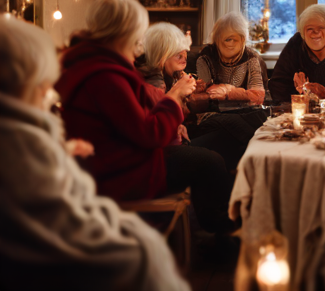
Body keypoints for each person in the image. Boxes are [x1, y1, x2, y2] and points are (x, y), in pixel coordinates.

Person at [0, 15, 189, 291]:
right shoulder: (105, 77)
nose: (48, 92)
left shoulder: (25, 128)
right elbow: (56, 217)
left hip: (95, 184)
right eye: (43, 85)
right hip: (40, 263)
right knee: (142, 252)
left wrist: (62, 152)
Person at [55, 0, 234, 234]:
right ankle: (220, 235)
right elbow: (150, 133)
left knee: (209, 154)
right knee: (209, 162)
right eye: (139, 34)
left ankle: (213, 231)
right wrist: (173, 98)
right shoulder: (105, 76)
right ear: (124, 33)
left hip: (112, 160)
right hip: (119, 172)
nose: (141, 44)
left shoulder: (92, 64)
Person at [196, 11, 266, 104]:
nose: (231, 44)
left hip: (246, 112)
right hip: (213, 112)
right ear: (217, 39)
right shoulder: (206, 56)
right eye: (227, 39)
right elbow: (201, 97)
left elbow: (258, 97)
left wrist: (229, 91)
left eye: (235, 39)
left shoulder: (252, 58)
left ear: (243, 40)